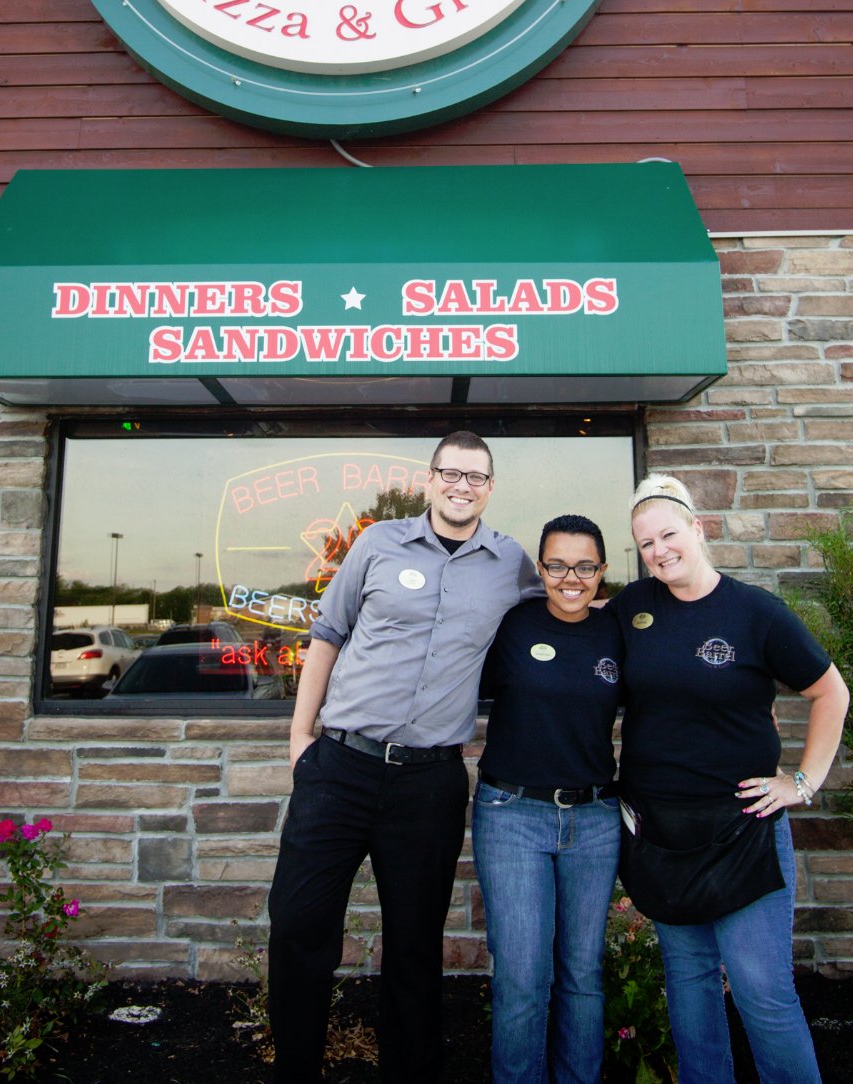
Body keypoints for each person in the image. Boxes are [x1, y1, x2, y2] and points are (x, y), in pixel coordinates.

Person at [266, 431, 540, 1084]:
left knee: (415, 948)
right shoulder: (377, 543)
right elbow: (327, 633)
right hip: (340, 769)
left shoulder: (510, 562)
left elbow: (562, 612)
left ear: (490, 488)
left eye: (476, 477)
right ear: (430, 479)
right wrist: (300, 739)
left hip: (429, 783)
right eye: (452, 473)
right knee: (300, 928)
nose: (462, 487)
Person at [613, 474, 850, 1084]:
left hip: (743, 829)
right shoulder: (632, 608)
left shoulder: (756, 613)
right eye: (645, 543)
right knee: (689, 985)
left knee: (761, 991)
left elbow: (831, 693)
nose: (659, 550)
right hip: (663, 833)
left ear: (698, 529)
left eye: (669, 534)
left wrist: (803, 781)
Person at [472, 513, 622, 1084]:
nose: (571, 579)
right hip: (512, 815)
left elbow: (669, 692)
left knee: (583, 973)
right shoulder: (511, 625)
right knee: (522, 976)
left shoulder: (618, 632)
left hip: (596, 818)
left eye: (585, 567)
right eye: (557, 566)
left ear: (602, 571)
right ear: (540, 569)